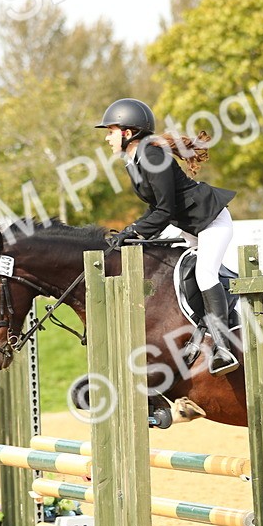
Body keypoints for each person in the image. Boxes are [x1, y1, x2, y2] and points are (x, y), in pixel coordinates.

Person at [95, 97, 240, 375]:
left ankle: (223, 347)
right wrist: (130, 231)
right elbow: (156, 208)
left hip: (211, 221)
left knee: (205, 275)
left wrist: (135, 231)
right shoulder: (135, 159)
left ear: (128, 132)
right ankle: (203, 328)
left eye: (110, 132)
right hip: (192, 227)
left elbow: (165, 209)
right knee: (185, 276)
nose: (108, 138)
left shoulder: (152, 155)